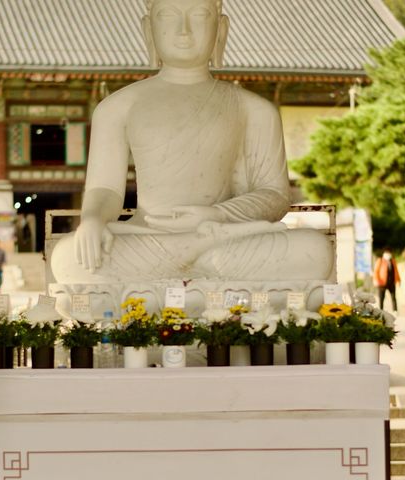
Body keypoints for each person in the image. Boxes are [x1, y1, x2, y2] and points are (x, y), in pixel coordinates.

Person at [50, 0, 333, 286]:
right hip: (150, 237)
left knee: (313, 249)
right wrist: (94, 219)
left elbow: (274, 195)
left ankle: (179, 270)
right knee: (67, 258)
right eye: (168, 16)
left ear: (221, 29)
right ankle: (200, 269)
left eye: (199, 16)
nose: (183, 30)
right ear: (148, 30)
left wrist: (216, 215)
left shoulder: (254, 109)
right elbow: (106, 188)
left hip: (224, 239)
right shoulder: (117, 107)